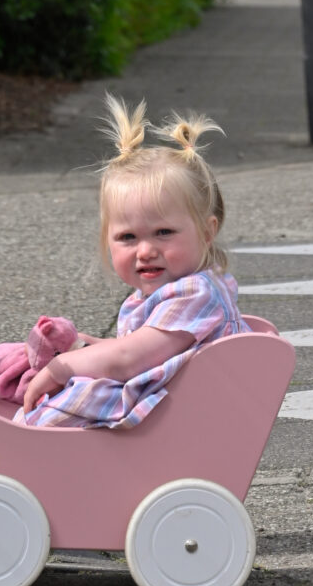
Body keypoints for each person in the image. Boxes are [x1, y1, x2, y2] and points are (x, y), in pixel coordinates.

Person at [19, 95, 244, 428]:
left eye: (163, 232)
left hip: (173, 420)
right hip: (168, 413)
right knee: (59, 381)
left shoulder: (195, 294)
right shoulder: (169, 292)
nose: (145, 251)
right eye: (127, 238)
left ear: (207, 232)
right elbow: (135, 349)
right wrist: (84, 347)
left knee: (63, 401)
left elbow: (129, 360)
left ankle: (22, 450)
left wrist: (62, 366)